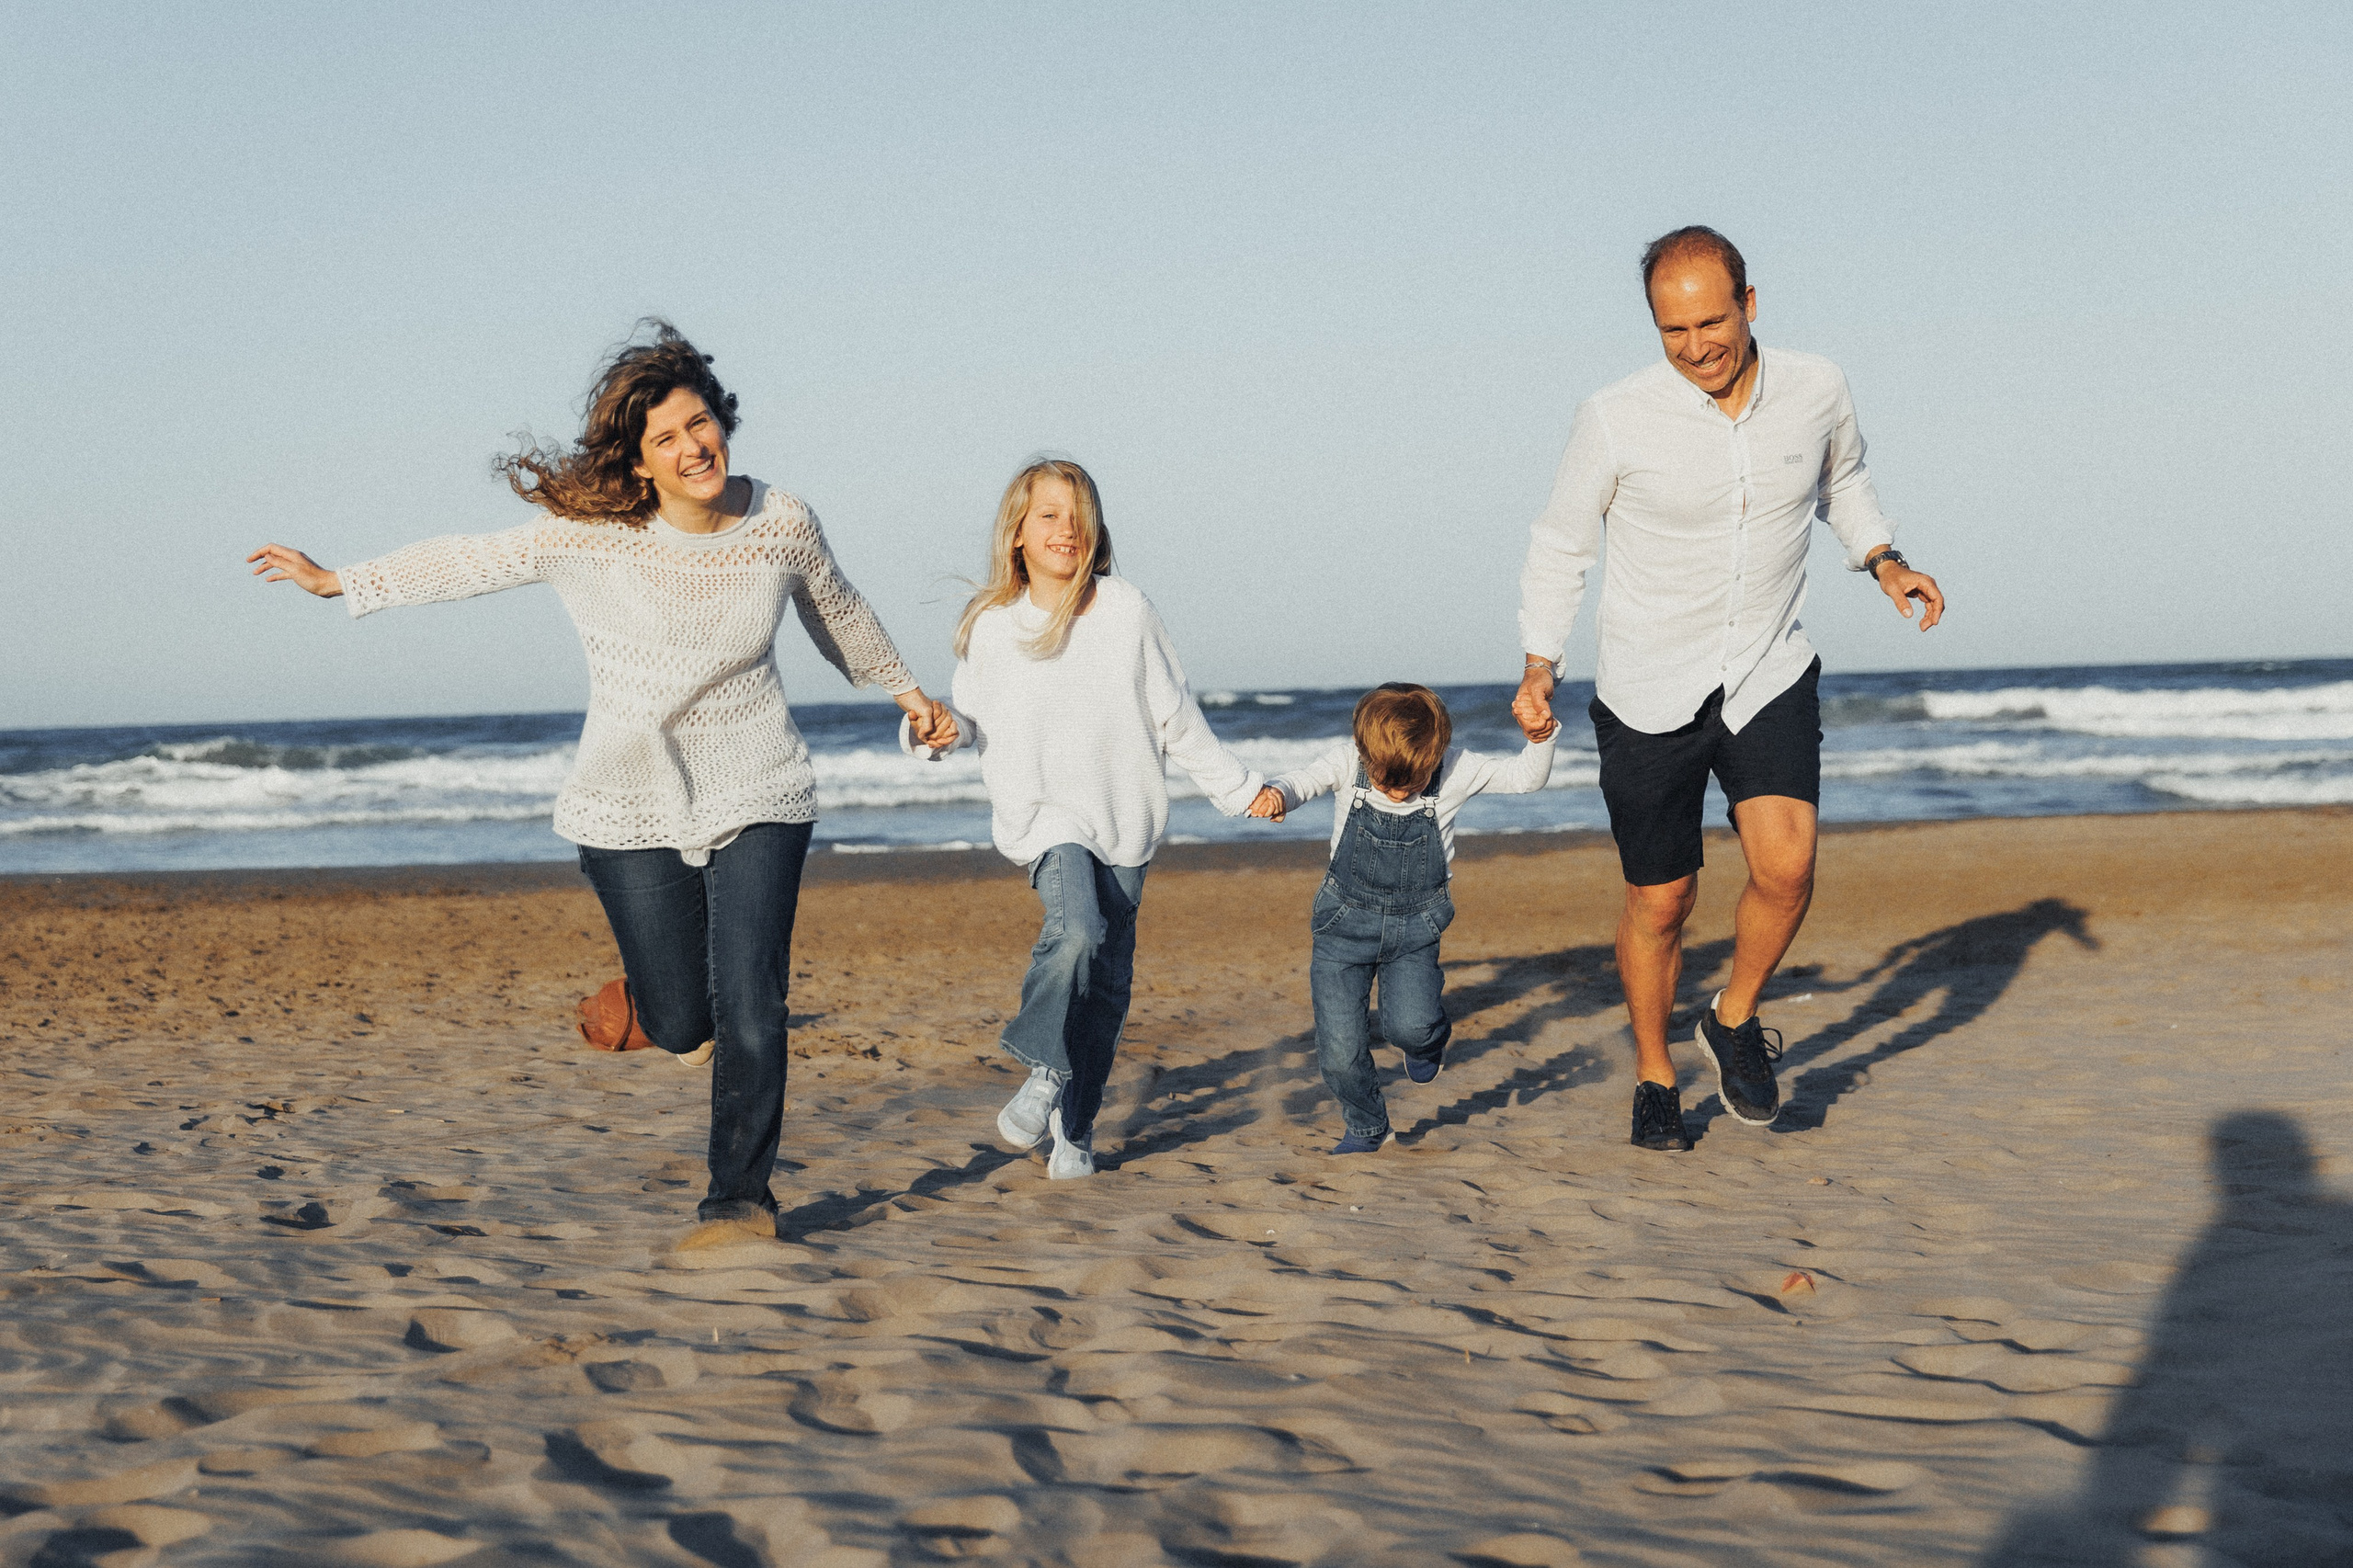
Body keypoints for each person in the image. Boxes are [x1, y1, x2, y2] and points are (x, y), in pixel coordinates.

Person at [247, 321, 954, 1247]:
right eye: (666, 437)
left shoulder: (782, 520)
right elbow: (472, 559)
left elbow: (839, 608)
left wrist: (909, 694)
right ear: (640, 460)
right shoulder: (593, 535)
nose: (692, 446)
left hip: (758, 779)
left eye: (700, 423)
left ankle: (740, 1199)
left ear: (721, 420)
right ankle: (659, 1004)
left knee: (753, 1000)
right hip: (628, 795)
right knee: (683, 1019)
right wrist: (343, 582)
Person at [1511, 227, 1947, 1153]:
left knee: (1787, 867)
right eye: (1673, 330)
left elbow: (1844, 480)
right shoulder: (1615, 416)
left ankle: (1733, 1015)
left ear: (1749, 303)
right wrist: (1540, 662)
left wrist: (1883, 559)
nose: (1696, 346)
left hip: (1765, 667)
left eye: (1712, 321)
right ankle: (1655, 1073)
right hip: (1646, 685)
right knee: (1661, 902)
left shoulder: (1817, 388)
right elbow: (1560, 542)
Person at [904, 459, 1262, 1178]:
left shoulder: (1126, 609)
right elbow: (967, 719)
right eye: (1048, 515)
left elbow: (1175, 715)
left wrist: (1239, 789)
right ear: (1017, 532)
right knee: (1076, 932)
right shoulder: (993, 626)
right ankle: (1043, 1069)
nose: (1065, 528)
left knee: (1106, 991)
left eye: (1078, 515)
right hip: (1046, 815)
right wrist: (935, 731)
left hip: (1125, 817)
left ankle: (1075, 1129)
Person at [1247, 684, 1554, 1153]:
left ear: (1437, 755)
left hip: (1416, 930)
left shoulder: (1456, 769)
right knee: (1339, 1053)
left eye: (1410, 783)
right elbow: (1302, 780)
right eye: (1385, 781)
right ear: (1363, 751)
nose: (1396, 793)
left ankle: (1427, 1044)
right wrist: (1278, 795)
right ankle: (1367, 1127)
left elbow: (1525, 779)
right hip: (1342, 929)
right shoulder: (1346, 762)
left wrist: (1541, 738)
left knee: (1411, 1027)